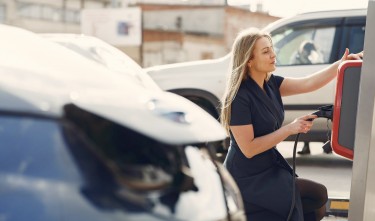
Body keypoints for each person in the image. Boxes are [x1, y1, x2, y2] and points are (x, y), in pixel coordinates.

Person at [220, 28, 363, 221]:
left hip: (268, 167)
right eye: (265, 52)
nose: (273, 54)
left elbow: (308, 83)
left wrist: (341, 64)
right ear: (249, 61)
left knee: (315, 200)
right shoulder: (239, 97)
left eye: (271, 48)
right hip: (247, 177)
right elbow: (249, 149)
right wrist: (290, 128)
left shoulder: (271, 84)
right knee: (315, 196)